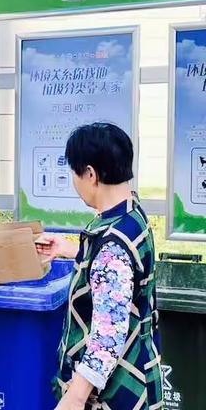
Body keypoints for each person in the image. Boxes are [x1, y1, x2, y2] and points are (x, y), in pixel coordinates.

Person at [36, 123, 163, 410]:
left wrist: (75, 397)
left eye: (74, 172)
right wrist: (69, 249)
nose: (74, 180)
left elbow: (107, 337)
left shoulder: (112, 249)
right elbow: (120, 270)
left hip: (116, 392)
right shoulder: (132, 212)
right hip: (141, 368)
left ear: (91, 174)